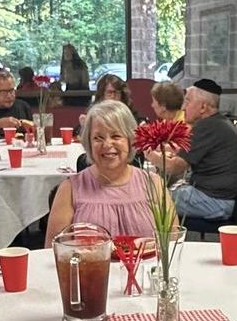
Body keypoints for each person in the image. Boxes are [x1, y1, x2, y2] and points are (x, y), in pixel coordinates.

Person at [45, 100, 173, 240]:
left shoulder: (154, 185)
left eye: (116, 136)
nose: (107, 144)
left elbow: (172, 245)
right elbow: (53, 253)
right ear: (89, 143)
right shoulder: (69, 190)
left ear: (131, 140)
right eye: (98, 138)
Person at [149, 80, 237, 221]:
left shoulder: (206, 127)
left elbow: (175, 168)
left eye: (188, 101)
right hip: (218, 198)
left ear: (203, 107)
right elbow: (182, 149)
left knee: (148, 202)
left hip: (215, 202)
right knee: (158, 195)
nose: (183, 107)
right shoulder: (218, 124)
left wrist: (148, 153)